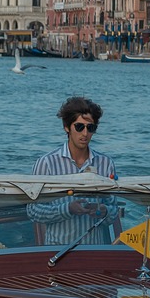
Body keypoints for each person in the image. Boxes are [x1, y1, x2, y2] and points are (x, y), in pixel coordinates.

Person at [29, 97, 118, 245]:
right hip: (58, 252)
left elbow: (114, 210)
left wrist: (104, 211)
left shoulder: (106, 164)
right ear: (66, 127)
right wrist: (67, 209)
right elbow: (33, 211)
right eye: (79, 127)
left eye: (90, 128)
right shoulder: (46, 163)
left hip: (95, 251)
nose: (85, 133)